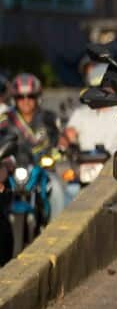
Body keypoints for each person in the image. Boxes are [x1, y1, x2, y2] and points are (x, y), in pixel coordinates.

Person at [0, 73, 70, 220]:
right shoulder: (5, 119)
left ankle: (57, 229)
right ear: (14, 99)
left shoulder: (49, 118)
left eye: (30, 96)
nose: (26, 101)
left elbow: (62, 138)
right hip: (12, 170)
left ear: (37, 97)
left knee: (57, 190)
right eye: (21, 97)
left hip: (43, 169)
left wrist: (61, 148)